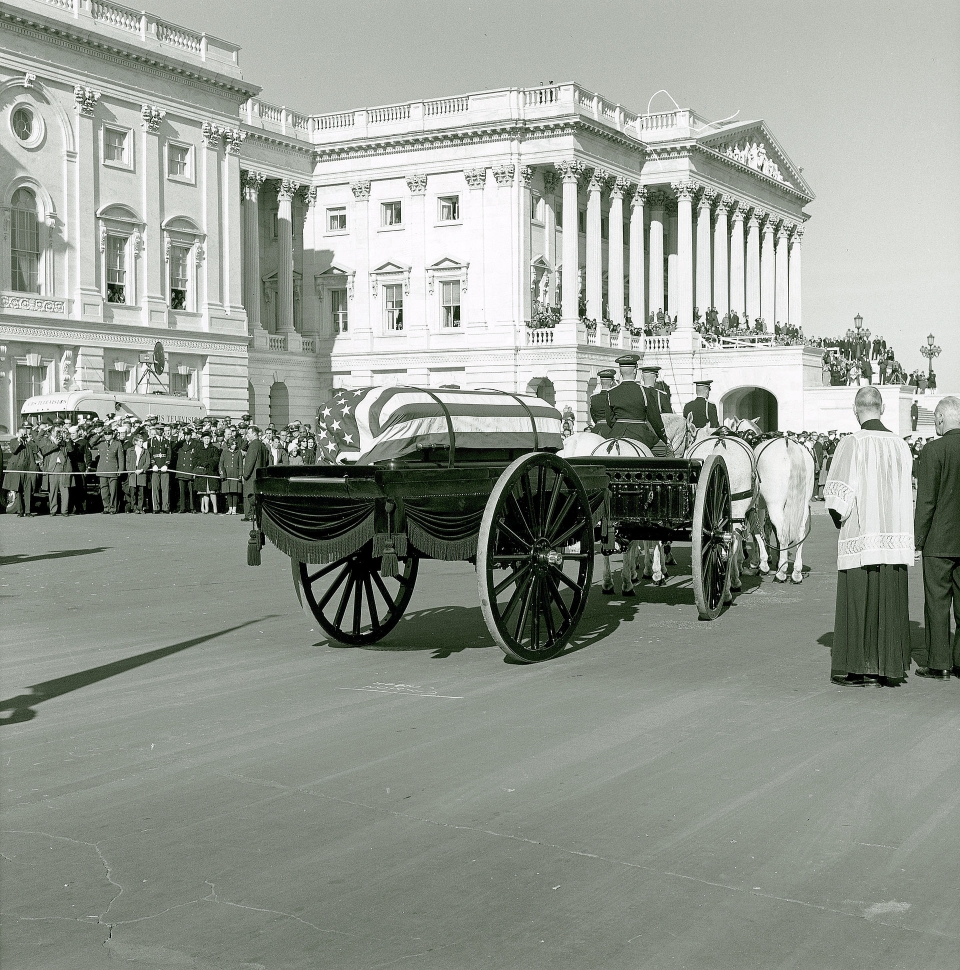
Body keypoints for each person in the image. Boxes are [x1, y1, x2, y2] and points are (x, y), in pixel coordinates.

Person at [824, 386, 914, 686]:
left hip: (862, 536)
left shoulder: (853, 443)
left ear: (855, 408)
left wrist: (839, 519)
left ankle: (859, 668)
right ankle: (890, 668)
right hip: (894, 536)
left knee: (859, 601)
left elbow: (838, 495)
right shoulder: (901, 445)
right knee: (889, 601)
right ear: (883, 408)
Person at [913, 396, 960, 679]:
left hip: (940, 542)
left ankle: (939, 662)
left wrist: (917, 540)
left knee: (938, 603)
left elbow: (926, 502)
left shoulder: (933, 450)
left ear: (940, 419)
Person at [605, 354, 666, 450]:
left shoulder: (611, 392)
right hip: (640, 434)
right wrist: (664, 438)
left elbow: (610, 419)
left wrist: (619, 426)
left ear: (620, 372)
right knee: (663, 451)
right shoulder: (645, 391)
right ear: (635, 371)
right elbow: (655, 419)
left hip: (616, 434)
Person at [4, 426, 39, 516]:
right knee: (18, 490)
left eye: (25, 433)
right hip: (17, 470)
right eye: (22, 433)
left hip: (28, 470)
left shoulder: (29, 442)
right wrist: (19, 440)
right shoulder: (13, 441)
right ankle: (20, 511)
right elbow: (13, 450)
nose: (24, 435)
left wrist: (29, 440)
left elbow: (36, 449)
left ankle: (28, 511)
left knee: (28, 491)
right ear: (17, 433)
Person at [241, 427, 271, 521]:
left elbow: (250, 462)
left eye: (249, 433)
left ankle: (249, 515)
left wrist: (245, 475)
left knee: (249, 495)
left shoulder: (253, 445)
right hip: (259, 475)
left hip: (252, 476)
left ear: (254, 434)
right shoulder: (262, 445)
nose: (247, 436)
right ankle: (254, 515)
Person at [92, 427, 124, 513]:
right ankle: (106, 507)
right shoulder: (101, 443)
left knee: (113, 490)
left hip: (113, 469)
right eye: (105, 434)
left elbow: (120, 458)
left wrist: (120, 470)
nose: (107, 435)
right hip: (102, 469)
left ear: (113, 435)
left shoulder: (117, 444)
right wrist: (99, 434)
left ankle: (113, 508)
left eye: (109, 434)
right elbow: (91, 443)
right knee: (104, 490)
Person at [193, 432, 222, 514]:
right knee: (203, 492)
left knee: (212, 491)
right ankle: (205, 508)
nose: (207, 440)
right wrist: (201, 463)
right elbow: (194, 459)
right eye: (205, 438)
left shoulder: (214, 448)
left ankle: (215, 508)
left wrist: (208, 462)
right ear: (202, 439)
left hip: (211, 472)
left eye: (208, 438)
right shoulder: (198, 449)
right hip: (202, 472)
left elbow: (216, 459)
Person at [148, 424, 173, 514]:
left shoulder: (167, 441)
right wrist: (153, 464)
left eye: (161, 429)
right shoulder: (151, 441)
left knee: (165, 488)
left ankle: (165, 507)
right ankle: (156, 507)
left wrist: (166, 464)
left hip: (164, 467)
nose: (160, 431)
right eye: (158, 429)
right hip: (155, 467)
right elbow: (149, 454)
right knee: (155, 488)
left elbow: (169, 454)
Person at [125, 431, 150, 513]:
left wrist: (142, 470)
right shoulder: (130, 450)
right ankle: (134, 507)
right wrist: (130, 471)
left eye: (142, 441)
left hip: (141, 472)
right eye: (139, 441)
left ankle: (140, 507)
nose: (141, 443)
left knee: (141, 492)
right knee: (133, 492)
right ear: (135, 442)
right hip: (133, 472)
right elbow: (127, 462)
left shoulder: (145, 451)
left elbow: (147, 462)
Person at [588, 368, 616, 437]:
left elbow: (592, 414)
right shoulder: (614, 397)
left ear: (600, 382)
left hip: (596, 429)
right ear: (612, 382)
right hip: (610, 430)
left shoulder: (593, 398)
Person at [219, 437, 243, 514]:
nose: (234, 446)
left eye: (235, 444)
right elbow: (221, 463)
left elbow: (240, 465)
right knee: (228, 492)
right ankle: (230, 508)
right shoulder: (224, 452)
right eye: (233, 444)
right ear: (229, 445)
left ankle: (234, 509)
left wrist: (240, 474)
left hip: (235, 474)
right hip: (227, 474)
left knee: (235, 491)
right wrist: (222, 473)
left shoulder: (238, 452)